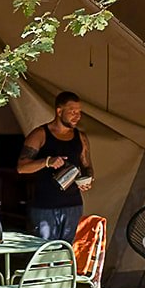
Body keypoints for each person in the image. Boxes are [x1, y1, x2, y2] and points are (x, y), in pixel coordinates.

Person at [17, 91, 93, 243]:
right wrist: (47, 162)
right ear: (59, 111)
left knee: (68, 253)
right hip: (45, 206)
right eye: (72, 112)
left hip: (73, 205)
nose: (77, 116)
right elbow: (21, 168)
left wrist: (88, 180)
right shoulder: (40, 134)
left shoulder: (81, 137)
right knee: (44, 254)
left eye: (79, 112)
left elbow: (87, 165)